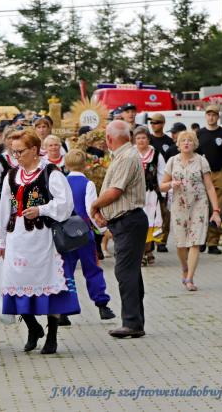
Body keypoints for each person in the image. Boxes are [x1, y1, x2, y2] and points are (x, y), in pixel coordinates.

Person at [0, 130, 78, 355]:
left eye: (20, 151)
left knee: (48, 283)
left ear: (34, 150)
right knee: (16, 282)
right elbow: (4, 209)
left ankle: (52, 335)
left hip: (43, 238)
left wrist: (41, 209)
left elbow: (65, 204)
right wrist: (1, 241)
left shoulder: (51, 173)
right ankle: (32, 327)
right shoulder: (12, 175)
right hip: (17, 237)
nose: (16, 156)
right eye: (13, 152)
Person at [90, 121, 148, 339]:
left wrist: (95, 205)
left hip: (129, 220)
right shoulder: (124, 155)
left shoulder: (127, 157)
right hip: (124, 220)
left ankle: (131, 322)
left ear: (109, 138)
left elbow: (115, 191)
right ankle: (135, 321)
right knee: (130, 272)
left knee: (125, 272)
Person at [160, 131, 222, 292]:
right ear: (178, 144)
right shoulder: (172, 161)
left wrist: (215, 210)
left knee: (195, 242)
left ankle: (189, 278)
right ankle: (184, 267)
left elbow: (209, 187)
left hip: (199, 205)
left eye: (190, 140)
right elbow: (162, 186)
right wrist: (171, 184)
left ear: (195, 144)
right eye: (183, 140)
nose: (186, 143)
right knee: (181, 244)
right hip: (179, 206)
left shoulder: (201, 161)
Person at [62, 150, 116, 322]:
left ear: (66, 165)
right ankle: (102, 305)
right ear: (85, 165)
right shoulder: (88, 184)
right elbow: (90, 208)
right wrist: (101, 229)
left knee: (65, 270)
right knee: (92, 268)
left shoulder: (61, 182)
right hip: (84, 233)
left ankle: (64, 310)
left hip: (65, 234)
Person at [195, 105, 222, 255]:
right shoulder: (200, 133)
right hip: (203, 174)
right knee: (202, 208)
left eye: (214, 115)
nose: (211, 117)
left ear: (218, 117)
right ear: (205, 116)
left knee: (217, 209)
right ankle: (201, 240)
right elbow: (194, 156)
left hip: (220, 174)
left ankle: (213, 243)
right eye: (209, 114)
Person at [133, 126, 165, 266]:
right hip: (134, 195)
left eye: (144, 138)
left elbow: (162, 174)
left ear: (148, 139)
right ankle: (141, 253)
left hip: (151, 194)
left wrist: (163, 193)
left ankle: (147, 251)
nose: (141, 140)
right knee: (137, 224)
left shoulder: (156, 154)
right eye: (138, 138)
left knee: (150, 222)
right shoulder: (131, 154)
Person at [148, 114, 176, 253]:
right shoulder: (148, 140)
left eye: (157, 122)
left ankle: (162, 241)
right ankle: (151, 240)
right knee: (151, 213)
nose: (154, 125)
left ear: (163, 123)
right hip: (150, 182)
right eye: (152, 123)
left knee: (165, 213)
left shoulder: (169, 142)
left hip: (165, 180)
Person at [0, 127, 19, 199]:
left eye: (14, 138)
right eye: (9, 138)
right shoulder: (0, 160)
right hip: (4, 199)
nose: (12, 140)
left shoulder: (24, 157)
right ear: (4, 140)